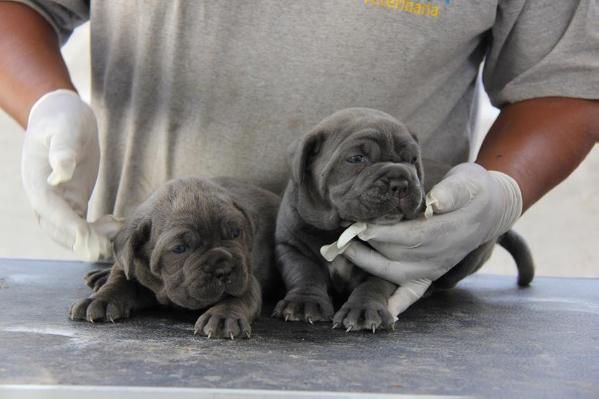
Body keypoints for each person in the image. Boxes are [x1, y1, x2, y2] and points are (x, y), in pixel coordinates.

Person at [1, 0, 597, 315]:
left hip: (396, 283)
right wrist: (49, 106)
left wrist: (501, 191)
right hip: (159, 294)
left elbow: (568, 77)